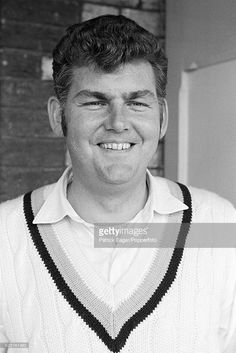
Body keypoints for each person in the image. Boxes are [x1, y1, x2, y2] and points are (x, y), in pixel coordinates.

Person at [0, 14, 236, 353]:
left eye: (137, 102)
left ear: (163, 118)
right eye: (95, 102)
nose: (118, 123)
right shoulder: (5, 235)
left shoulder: (218, 224)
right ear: (58, 116)